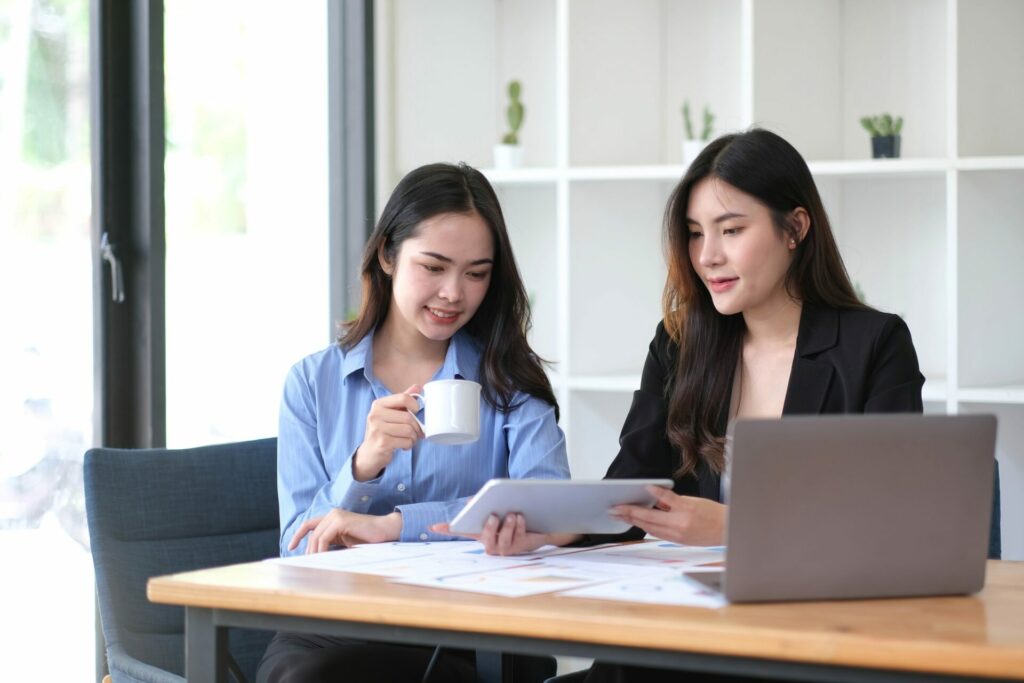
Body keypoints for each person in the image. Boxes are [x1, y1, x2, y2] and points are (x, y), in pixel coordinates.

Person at [436, 129, 924, 682]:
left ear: (796, 228)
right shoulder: (679, 344)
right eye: (694, 234)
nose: (707, 256)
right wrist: (554, 532)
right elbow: (632, 485)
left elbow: (889, 526)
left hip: (810, 642)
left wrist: (733, 527)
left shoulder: (874, 345)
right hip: (680, 638)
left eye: (731, 230)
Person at [257, 162, 569, 683]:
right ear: (387, 255)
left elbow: (549, 507)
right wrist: (362, 466)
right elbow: (297, 545)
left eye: (476, 273)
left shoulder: (509, 379)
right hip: (334, 625)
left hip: (471, 625)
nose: (454, 293)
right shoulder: (312, 383)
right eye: (434, 266)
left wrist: (397, 526)